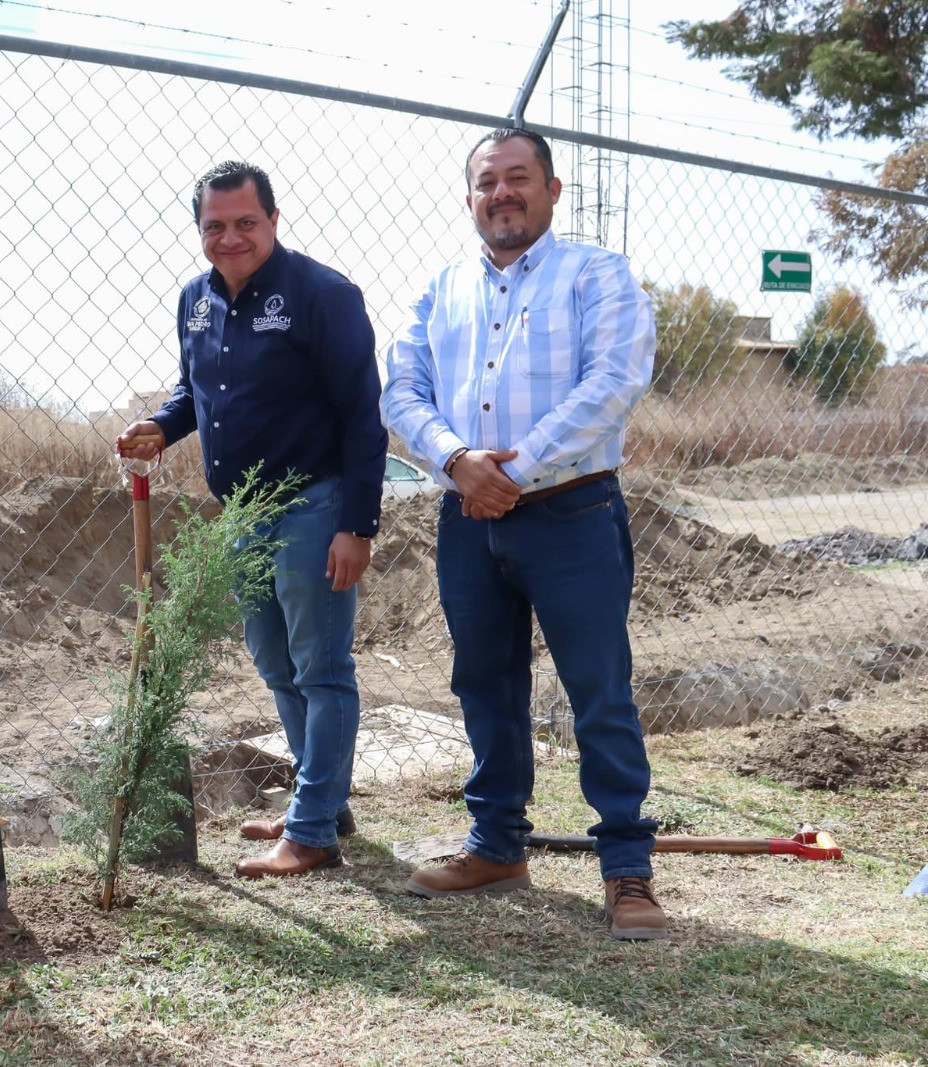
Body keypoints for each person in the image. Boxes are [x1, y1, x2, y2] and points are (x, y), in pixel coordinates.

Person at [381, 127, 666, 939]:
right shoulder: (437, 291)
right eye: (486, 183)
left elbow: (613, 382)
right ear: (469, 198)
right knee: (483, 684)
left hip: (571, 512)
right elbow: (401, 391)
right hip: (467, 518)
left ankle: (626, 869)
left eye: (518, 178)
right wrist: (455, 459)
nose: (501, 194)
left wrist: (513, 469)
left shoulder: (596, 275)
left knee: (599, 692)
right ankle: (497, 845)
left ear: (552, 189)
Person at [119, 160, 386, 879]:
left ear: (272, 220)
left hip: (314, 503)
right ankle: (322, 802)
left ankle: (311, 834)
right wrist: (162, 426)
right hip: (242, 511)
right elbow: (199, 388)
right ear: (199, 229)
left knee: (321, 666)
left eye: (245, 223)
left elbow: (364, 414)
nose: (230, 238)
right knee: (274, 658)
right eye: (215, 226)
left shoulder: (323, 294)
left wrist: (357, 523)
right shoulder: (195, 301)